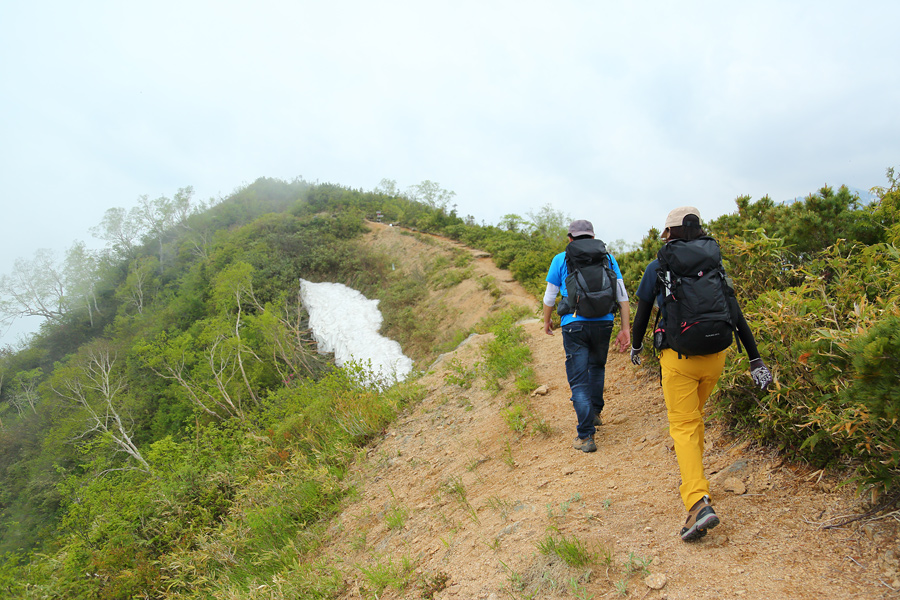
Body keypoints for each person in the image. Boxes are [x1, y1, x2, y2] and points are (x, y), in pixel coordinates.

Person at [630, 206, 773, 542]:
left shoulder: (658, 266)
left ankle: (697, 501)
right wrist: (755, 360)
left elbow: (641, 315)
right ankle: (695, 478)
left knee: (684, 425)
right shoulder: (715, 265)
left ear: (670, 233)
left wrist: (636, 347)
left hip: (679, 359)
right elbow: (735, 314)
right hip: (715, 357)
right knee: (694, 419)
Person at [543, 219, 631, 453]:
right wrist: (625, 329)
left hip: (574, 325)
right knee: (597, 368)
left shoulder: (561, 259)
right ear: (593, 238)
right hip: (604, 322)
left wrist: (547, 321)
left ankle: (585, 435)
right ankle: (595, 414)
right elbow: (622, 296)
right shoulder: (608, 259)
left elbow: (549, 297)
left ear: (570, 238)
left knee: (579, 380)